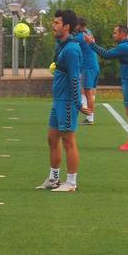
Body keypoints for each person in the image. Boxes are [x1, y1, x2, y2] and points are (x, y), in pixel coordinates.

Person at [38, 10, 82, 193]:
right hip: (58, 100)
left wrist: (78, 103)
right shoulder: (62, 45)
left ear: (66, 27)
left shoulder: (71, 49)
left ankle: (71, 182)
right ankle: (54, 178)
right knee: (52, 139)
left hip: (67, 101)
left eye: (56, 23)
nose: (53, 25)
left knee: (68, 141)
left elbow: (74, 78)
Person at [86, 25, 128, 151]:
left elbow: (107, 55)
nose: (113, 35)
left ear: (122, 33)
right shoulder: (126, 46)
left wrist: (91, 44)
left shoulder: (125, 47)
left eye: (115, 33)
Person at [76, 18, 99, 124]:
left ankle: (90, 118)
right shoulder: (88, 32)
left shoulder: (81, 36)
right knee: (89, 91)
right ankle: (89, 115)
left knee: (88, 93)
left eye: (75, 25)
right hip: (93, 65)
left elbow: (67, 42)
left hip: (88, 66)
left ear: (80, 26)